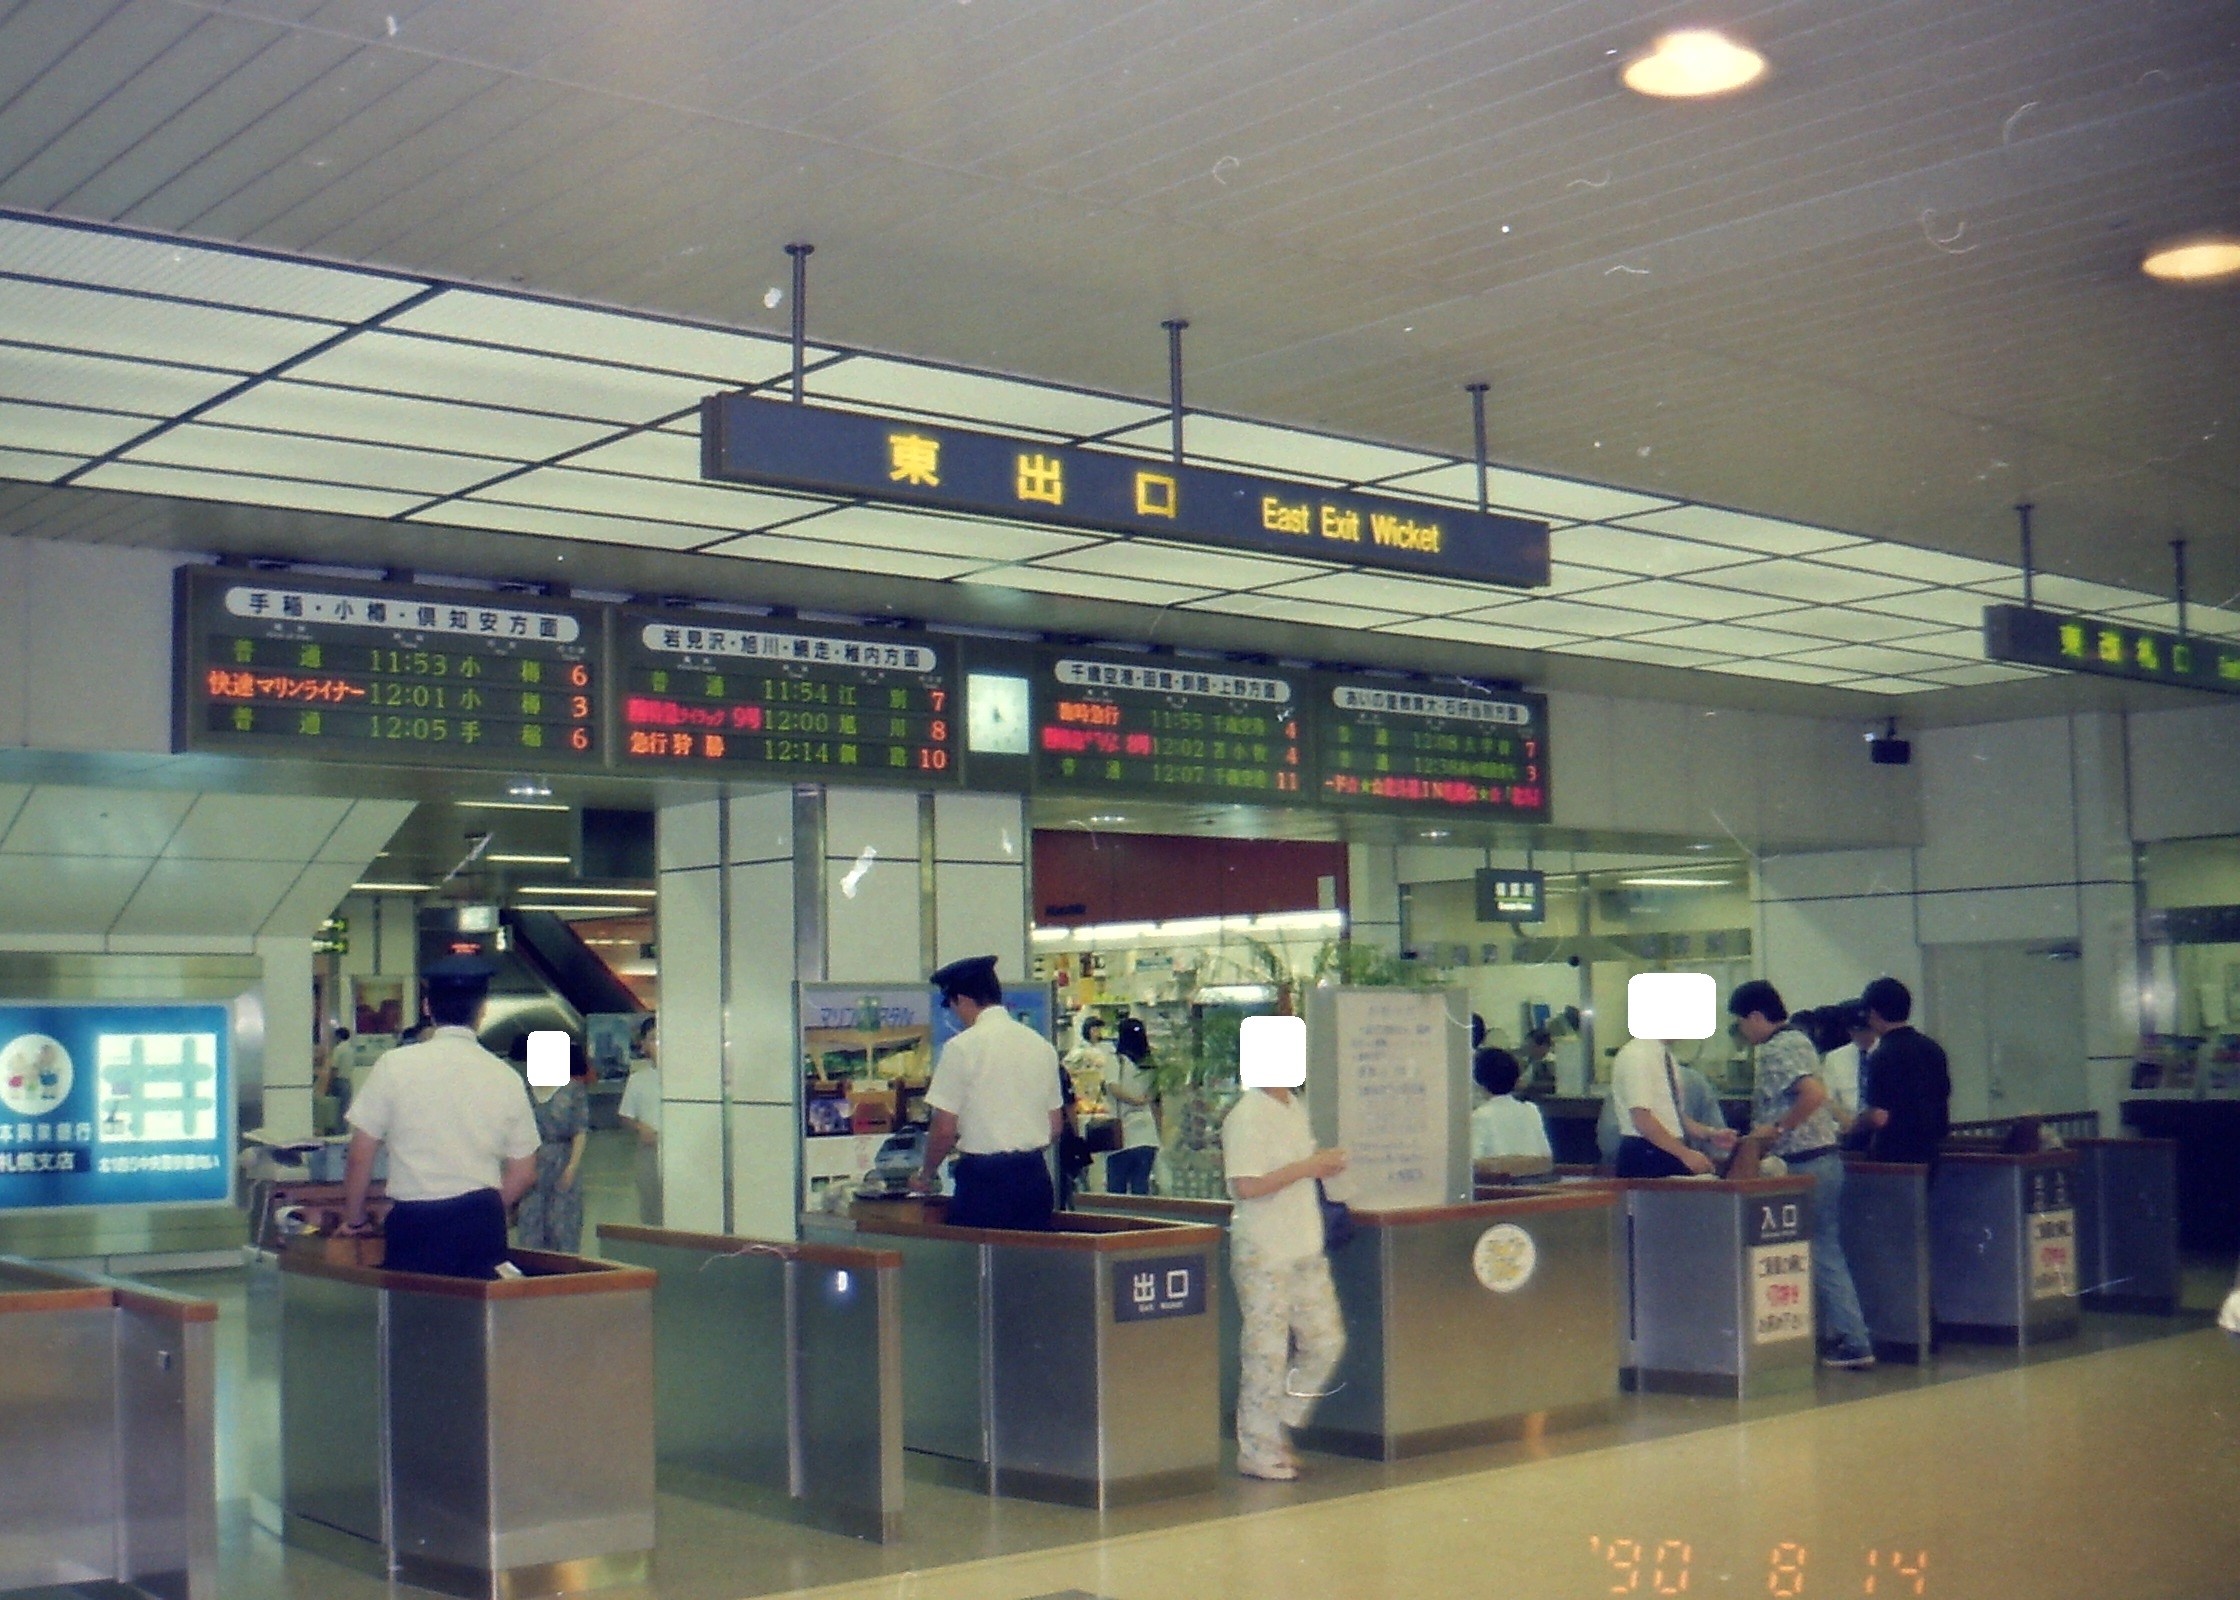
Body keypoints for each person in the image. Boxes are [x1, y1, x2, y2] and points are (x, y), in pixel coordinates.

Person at [340, 956, 539, 1278]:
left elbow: (360, 1156)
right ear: (482, 1011)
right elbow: (525, 1172)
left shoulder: (394, 1066)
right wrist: (480, 1212)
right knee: (479, 1322)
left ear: (427, 1007)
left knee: (416, 1319)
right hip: (482, 1224)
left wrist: (355, 1219)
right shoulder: (505, 1077)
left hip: (416, 1223)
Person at [1730, 980, 1877, 1370]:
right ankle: (1844, 1335)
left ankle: (1853, 1339)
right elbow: (1821, 1096)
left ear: (1757, 1016)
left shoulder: (1778, 1047)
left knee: (1820, 1252)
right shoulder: (1799, 1040)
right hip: (1824, 1159)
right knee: (1825, 1248)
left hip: (1803, 1162)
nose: (1744, 1032)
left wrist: (1776, 1128)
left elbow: (1810, 1095)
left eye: (1743, 1023)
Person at [1222, 1069, 1348, 1482]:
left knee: (1326, 1341)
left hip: (1304, 1244)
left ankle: (1277, 1424)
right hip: (1263, 1248)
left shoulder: (1296, 1107)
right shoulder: (1246, 1115)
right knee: (1266, 1351)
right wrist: (1308, 1166)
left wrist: (1318, 1166)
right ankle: (1257, 1447)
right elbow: (1247, 1185)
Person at [913, 955, 1063, 1230]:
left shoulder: (961, 1048)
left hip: (984, 1183)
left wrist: (926, 1174)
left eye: (950, 1004)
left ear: (962, 999)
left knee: (981, 1266)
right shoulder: (1041, 1046)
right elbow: (1055, 1127)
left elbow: (944, 1129)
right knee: (1031, 1264)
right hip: (1035, 1179)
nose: (953, 1013)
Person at [1610, 1033, 1737, 1178]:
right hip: (1645, 1152)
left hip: (1667, 1148)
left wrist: (1710, 1134)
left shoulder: (1666, 1056)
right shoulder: (1638, 1055)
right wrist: (1685, 1154)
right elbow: (1642, 1118)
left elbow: (1675, 1116)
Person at [1856, 977, 1951, 1168]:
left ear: (1873, 1014)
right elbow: (1943, 1094)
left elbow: (1879, 1116)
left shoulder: (1882, 1055)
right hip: (1932, 1149)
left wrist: (1857, 1123)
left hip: (1895, 1154)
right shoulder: (1932, 1048)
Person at [515, 1036, 591, 1253]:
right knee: (530, 1224)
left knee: (562, 1225)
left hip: (562, 1160)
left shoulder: (572, 1090)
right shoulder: (525, 1091)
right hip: (531, 1162)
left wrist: (572, 1167)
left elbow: (580, 1130)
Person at [1597, 1056, 1729, 1168]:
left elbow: (1609, 1144)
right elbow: (1719, 1151)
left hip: (1633, 1175)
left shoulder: (1628, 1079)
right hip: (1690, 1179)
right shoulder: (1694, 1082)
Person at [1470, 1047, 1552, 1177]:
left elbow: (1473, 1165)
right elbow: (1546, 1159)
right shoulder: (1531, 1110)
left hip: (1497, 1191)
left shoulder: (1480, 1116)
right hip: (1536, 1186)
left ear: (1478, 1081)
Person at [1104, 1016, 1161, 1196]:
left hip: (1122, 1136)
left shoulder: (1116, 1060)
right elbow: (1157, 1100)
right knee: (1141, 1189)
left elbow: (1113, 1087)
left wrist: (1133, 1100)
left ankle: (1118, 1224)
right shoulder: (1150, 1064)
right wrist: (1160, 1133)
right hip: (1148, 1135)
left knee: (1116, 1192)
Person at [616, 1014, 662, 1226]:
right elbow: (626, 1115)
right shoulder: (638, 1080)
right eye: (654, 1039)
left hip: (684, 1154)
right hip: (650, 1152)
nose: (660, 1044)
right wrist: (639, 1127)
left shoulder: (689, 1080)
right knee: (652, 1209)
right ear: (643, 1045)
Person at [1815, 1002, 1870, 1136]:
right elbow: (1827, 1099)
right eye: (1854, 1030)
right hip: (1846, 1130)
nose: (1860, 1035)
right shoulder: (1835, 1058)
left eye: (1865, 1029)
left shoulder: (1887, 1053)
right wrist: (1844, 1119)